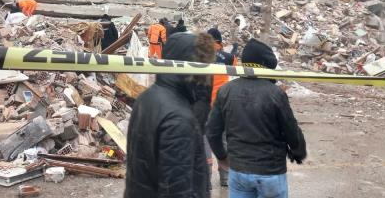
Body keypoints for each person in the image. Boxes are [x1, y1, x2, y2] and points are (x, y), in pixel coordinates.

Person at [206, 39, 307, 198]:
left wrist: (222, 157)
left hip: (238, 170)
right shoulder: (275, 94)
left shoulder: (226, 91)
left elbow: (212, 130)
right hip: (270, 172)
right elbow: (291, 129)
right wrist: (298, 151)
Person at [125, 32, 215, 198]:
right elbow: (177, 189)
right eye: (202, 66)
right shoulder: (179, 119)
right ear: (190, 66)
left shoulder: (146, 97)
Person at [206, 28, 238, 188]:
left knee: (204, 140)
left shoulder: (200, 57)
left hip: (204, 105)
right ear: (219, 41)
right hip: (223, 105)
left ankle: (206, 180)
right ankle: (225, 177)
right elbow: (235, 68)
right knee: (224, 140)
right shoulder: (228, 57)